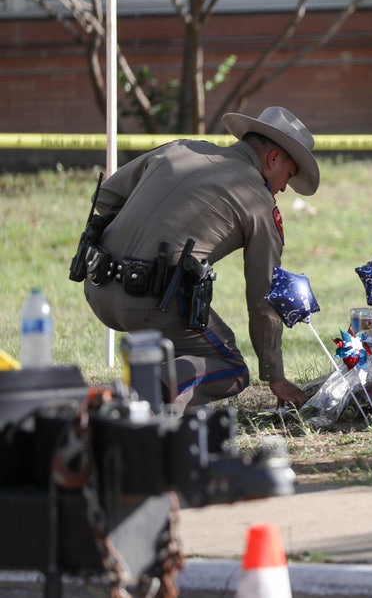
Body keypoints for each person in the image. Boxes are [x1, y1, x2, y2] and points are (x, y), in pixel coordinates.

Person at [82, 107, 318, 409]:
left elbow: (105, 197)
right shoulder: (257, 202)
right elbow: (265, 296)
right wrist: (275, 375)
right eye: (288, 174)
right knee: (230, 368)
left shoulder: (180, 148)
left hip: (97, 285)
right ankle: (141, 398)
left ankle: (149, 384)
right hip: (152, 303)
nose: (284, 186)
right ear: (273, 159)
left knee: (181, 329)